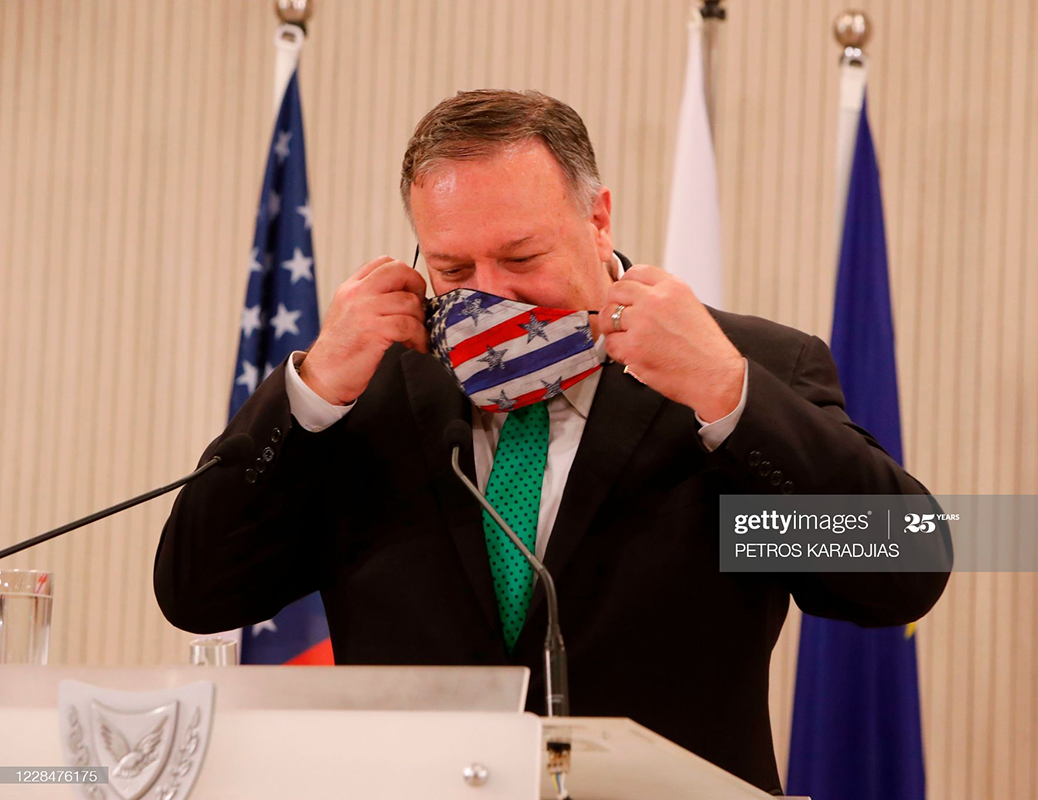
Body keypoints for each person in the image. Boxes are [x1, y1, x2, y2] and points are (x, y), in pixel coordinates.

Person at [155, 89, 950, 794]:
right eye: (453, 268)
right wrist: (314, 388)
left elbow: (900, 574)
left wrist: (726, 392)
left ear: (598, 218)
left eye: (521, 257)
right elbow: (199, 593)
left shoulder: (742, 369)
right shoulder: (370, 392)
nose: (490, 294)